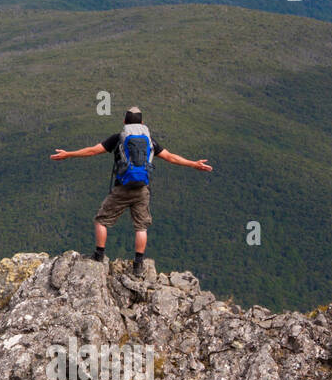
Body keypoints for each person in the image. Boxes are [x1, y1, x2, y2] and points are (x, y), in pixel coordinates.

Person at [49, 107, 212, 273]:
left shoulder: (119, 138)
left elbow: (92, 151)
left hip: (122, 188)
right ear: (142, 122)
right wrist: (193, 164)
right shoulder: (150, 141)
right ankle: (138, 264)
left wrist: (69, 154)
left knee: (101, 220)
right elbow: (171, 157)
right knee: (141, 227)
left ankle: (99, 256)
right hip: (142, 189)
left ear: (124, 122)